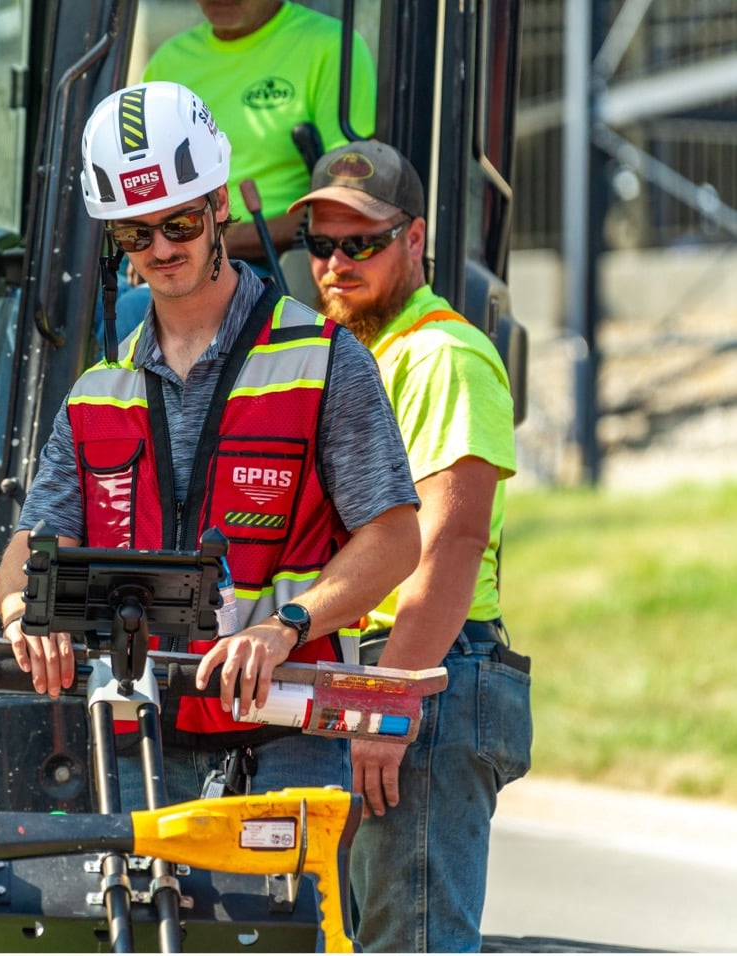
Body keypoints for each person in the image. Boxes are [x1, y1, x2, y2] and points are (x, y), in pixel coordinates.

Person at [0, 80, 421, 806]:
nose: (161, 248)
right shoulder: (99, 392)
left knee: (278, 924)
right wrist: (20, 615)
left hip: (283, 740)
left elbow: (395, 538)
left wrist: (287, 627)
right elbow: (28, 549)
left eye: (180, 223)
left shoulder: (323, 358)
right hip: (137, 742)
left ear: (219, 204)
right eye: (136, 232)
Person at [287, 139, 534, 953]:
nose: (336, 263)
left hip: (426, 672)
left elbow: (453, 542)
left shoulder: (444, 354)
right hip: (382, 673)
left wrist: (385, 701)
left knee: (410, 945)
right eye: (321, 244)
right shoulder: (358, 353)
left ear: (415, 239)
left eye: (362, 242)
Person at [100, 0, 377, 342]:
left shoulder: (333, 48)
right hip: (165, 244)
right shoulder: (168, 63)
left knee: (132, 311)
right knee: (74, 300)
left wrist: (205, 239)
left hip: (271, 264)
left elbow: (351, 205)